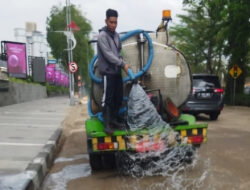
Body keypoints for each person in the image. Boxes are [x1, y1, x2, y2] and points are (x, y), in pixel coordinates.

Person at [97, 9, 129, 135]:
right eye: (111, 22)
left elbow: (118, 51)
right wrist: (122, 64)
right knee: (108, 99)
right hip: (108, 73)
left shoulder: (116, 36)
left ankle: (114, 120)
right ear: (106, 21)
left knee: (118, 97)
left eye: (115, 22)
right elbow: (109, 55)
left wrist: (122, 61)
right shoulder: (102, 36)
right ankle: (106, 124)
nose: (114, 25)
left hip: (116, 72)